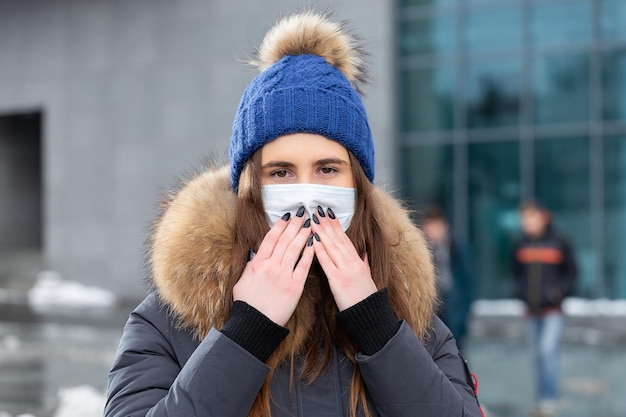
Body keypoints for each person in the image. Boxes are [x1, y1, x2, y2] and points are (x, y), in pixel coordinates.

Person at [105, 10, 484, 417]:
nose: (306, 194)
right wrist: (245, 331)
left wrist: (377, 326)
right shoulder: (168, 319)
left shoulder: (411, 316)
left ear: (358, 184)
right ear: (249, 187)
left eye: (327, 169)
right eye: (281, 172)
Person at [511, 200, 577, 417]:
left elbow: (572, 272)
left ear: (542, 218)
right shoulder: (520, 244)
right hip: (531, 311)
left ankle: (549, 398)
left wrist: (559, 292)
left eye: (531, 218)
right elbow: (516, 273)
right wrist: (521, 294)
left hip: (552, 312)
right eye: (524, 219)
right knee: (537, 356)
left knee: (547, 351)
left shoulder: (559, 242)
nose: (527, 223)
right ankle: (541, 398)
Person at [421, 206, 476, 352]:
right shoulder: (420, 248)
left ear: (444, 226)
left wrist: (464, 310)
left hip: (453, 303)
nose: (433, 231)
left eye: (436, 226)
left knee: (456, 353)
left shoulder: (457, 247)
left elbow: (468, 281)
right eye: (430, 226)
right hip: (431, 306)